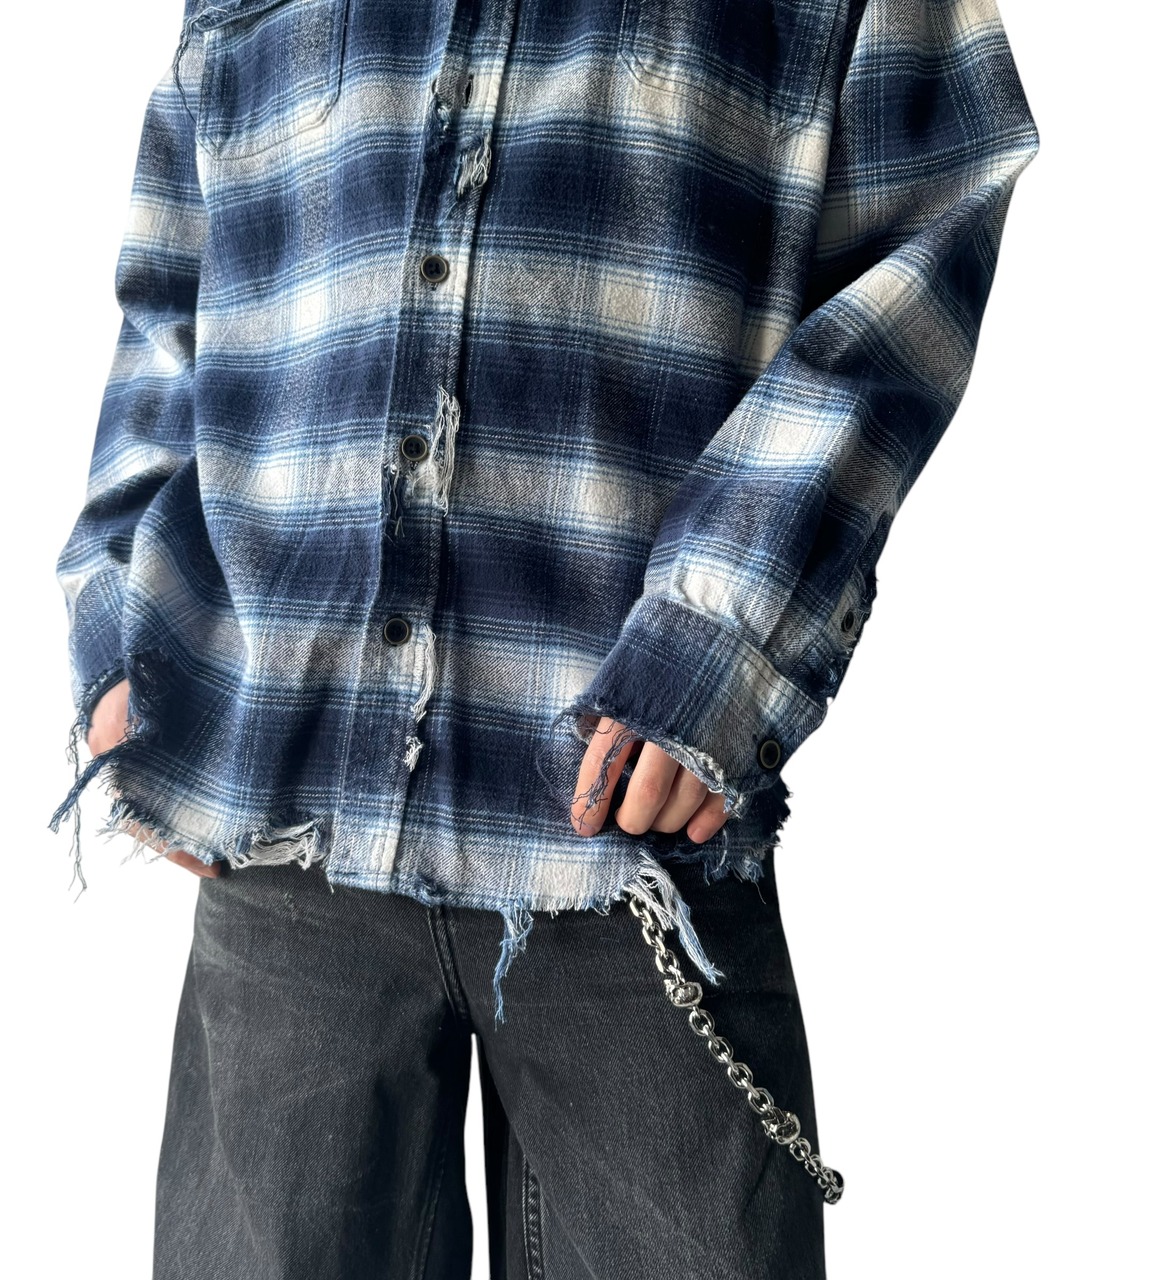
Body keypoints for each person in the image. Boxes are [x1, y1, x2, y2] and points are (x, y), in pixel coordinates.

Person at [51, 0, 1038, 1274]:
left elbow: (925, 223)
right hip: (287, 814)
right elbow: (171, 292)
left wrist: (720, 641)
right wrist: (127, 625)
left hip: (633, 838)